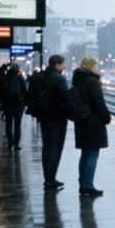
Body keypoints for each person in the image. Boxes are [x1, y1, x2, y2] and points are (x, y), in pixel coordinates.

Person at [72, 56, 111, 197]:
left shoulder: (78, 80)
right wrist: (107, 118)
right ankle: (88, 185)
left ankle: (83, 184)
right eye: (96, 65)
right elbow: (99, 103)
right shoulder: (92, 82)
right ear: (91, 66)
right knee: (93, 154)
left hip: (82, 122)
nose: (97, 68)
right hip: (93, 123)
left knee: (85, 153)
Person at [36, 55, 70, 188]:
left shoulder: (40, 76)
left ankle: (47, 176)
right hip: (58, 118)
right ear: (57, 64)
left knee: (47, 146)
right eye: (62, 64)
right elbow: (65, 99)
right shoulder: (60, 79)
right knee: (56, 148)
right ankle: (51, 178)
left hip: (43, 116)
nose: (63, 67)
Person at [1, 63, 27, 150]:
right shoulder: (20, 78)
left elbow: (1, 91)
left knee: (8, 124)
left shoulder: (5, 78)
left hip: (7, 104)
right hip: (18, 104)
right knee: (17, 125)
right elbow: (24, 90)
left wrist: (2, 101)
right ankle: (16, 144)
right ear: (18, 70)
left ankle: (10, 142)